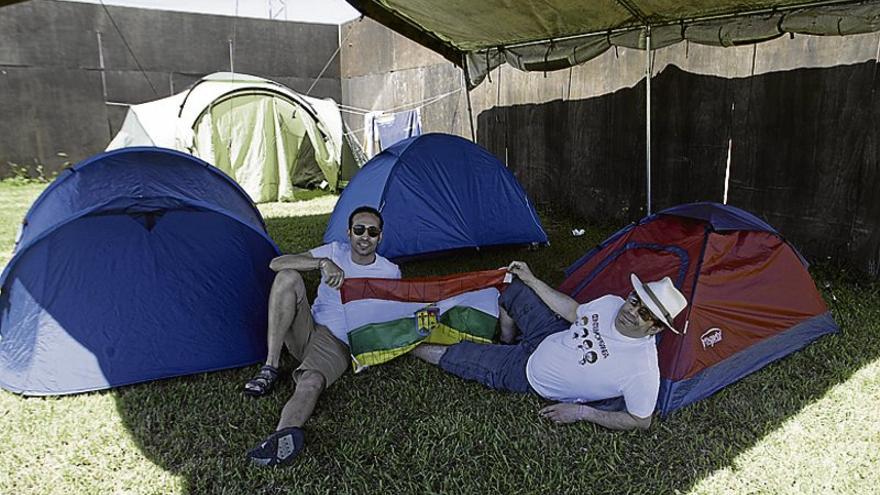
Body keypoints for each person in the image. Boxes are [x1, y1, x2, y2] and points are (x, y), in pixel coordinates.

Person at [412, 260, 687, 431]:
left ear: (656, 327)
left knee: (455, 355)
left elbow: (641, 420)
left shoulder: (642, 370)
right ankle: (506, 339)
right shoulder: (612, 303)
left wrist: (582, 413)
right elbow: (574, 311)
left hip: (527, 374)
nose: (632, 311)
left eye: (645, 314)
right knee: (513, 285)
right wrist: (533, 280)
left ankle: (401, 345)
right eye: (635, 300)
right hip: (549, 334)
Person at [245, 206, 401, 466]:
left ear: (380, 237)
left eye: (372, 232)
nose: (365, 236)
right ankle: (270, 366)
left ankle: (280, 438)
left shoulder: (390, 272)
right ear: (349, 232)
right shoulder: (334, 251)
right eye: (359, 229)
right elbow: (276, 263)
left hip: (336, 342)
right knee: (287, 277)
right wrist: (322, 263)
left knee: (312, 381)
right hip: (306, 328)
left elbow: (394, 314)